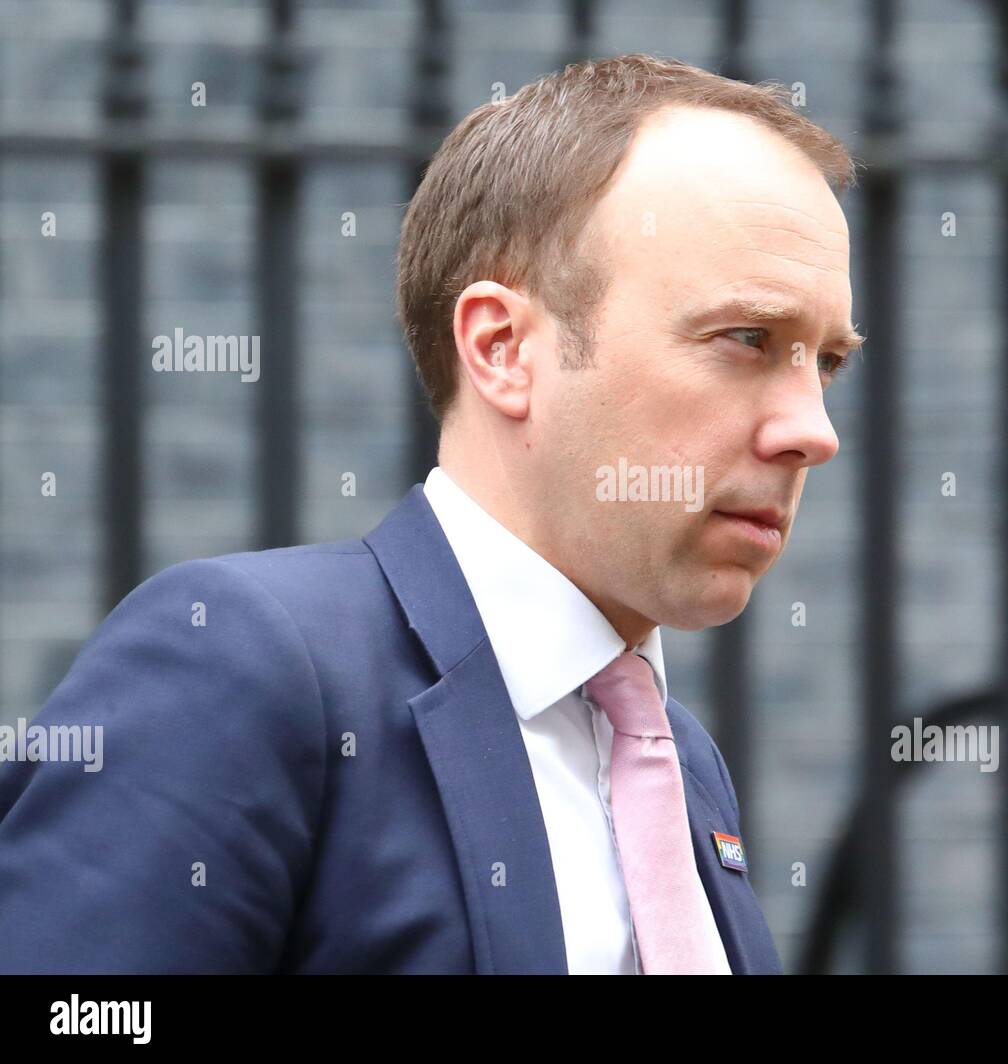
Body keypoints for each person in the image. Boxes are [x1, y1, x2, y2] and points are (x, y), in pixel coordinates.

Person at [0, 53, 859, 974]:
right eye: (747, 340)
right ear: (502, 349)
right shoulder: (244, 666)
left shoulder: (678, 764)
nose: (813, 431)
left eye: (828, 362)